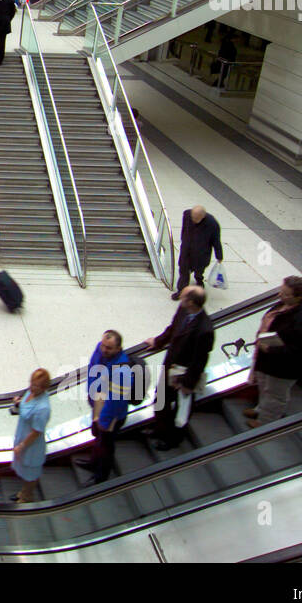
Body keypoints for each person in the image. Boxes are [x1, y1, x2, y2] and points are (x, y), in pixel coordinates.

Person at [143, 285, 214, 450]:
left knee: (181, 408)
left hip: (184, 374)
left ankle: (173, 439)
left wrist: (188, 384)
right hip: (170, 367)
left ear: (190, 302)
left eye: (183, 297)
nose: (179, 299)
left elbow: (200, 360)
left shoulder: (204, 330)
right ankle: (160, 429)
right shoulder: (183, 311)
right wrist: (158, 341)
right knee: (161, 399)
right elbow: (172, 329)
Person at [246, 276, 302, 424]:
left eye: (285, 294)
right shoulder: (284, 305)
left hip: (283, 367)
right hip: (267, 359)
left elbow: (298, 350)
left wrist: (269, 349)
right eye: (281, 291)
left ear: (298, 297)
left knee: (275, 394)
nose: (279, 295)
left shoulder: (301, 320)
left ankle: (266, 421)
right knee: (264, 386)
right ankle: (260, 409)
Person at [74, 331, 132, 484]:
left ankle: (101, 475)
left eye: (109, 348)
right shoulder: (100, 350)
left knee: (106, 444)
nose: (104, 350)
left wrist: (104, 421)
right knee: (99, 439)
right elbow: (93, 371)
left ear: (118, 349)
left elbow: (116, 401)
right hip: (100, 405)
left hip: (112, 415)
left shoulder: (122, 370)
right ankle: (94, 463)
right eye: (104, 346)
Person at [10, 368, 52, 502]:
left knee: (30, 472)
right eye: (32, 383)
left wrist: (21, 446)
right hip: (22, 435)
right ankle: (23, 492)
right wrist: (19, 403)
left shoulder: (43, 408)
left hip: (31, 444)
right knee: (23, 468)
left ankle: (27, 496)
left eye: (36, 386)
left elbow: (36, 432)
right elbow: (26, 405)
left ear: (44, 388)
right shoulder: (31, 393)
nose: (32, 387)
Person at [174, 205, 223, 299]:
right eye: (193, 217)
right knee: (183, 270)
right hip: (187, 250)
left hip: (201, 253)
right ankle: (181, 291)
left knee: (199, 269)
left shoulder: (212, 224)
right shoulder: (187, 215)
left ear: (203, 216)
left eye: (196, 218)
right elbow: (184, 228)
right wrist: (183, 240)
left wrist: (219, 256)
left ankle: (199, 278)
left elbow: (216, 241)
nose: (194, 220)